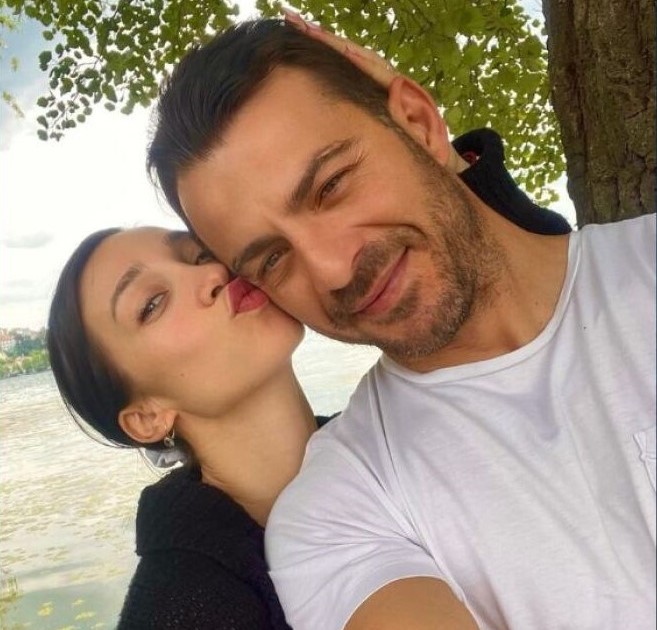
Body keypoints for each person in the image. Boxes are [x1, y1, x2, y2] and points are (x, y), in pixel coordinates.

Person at [145, 16, 656, 630]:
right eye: (273, 260)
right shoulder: (337, 511)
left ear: (418, 122)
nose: (333, 269)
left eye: (332, 186)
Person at [47, 226, 318, 629]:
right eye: (152, 304)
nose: (213, 274)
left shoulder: (388, 427)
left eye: (199, 254)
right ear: (146, 417)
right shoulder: (177, 609)